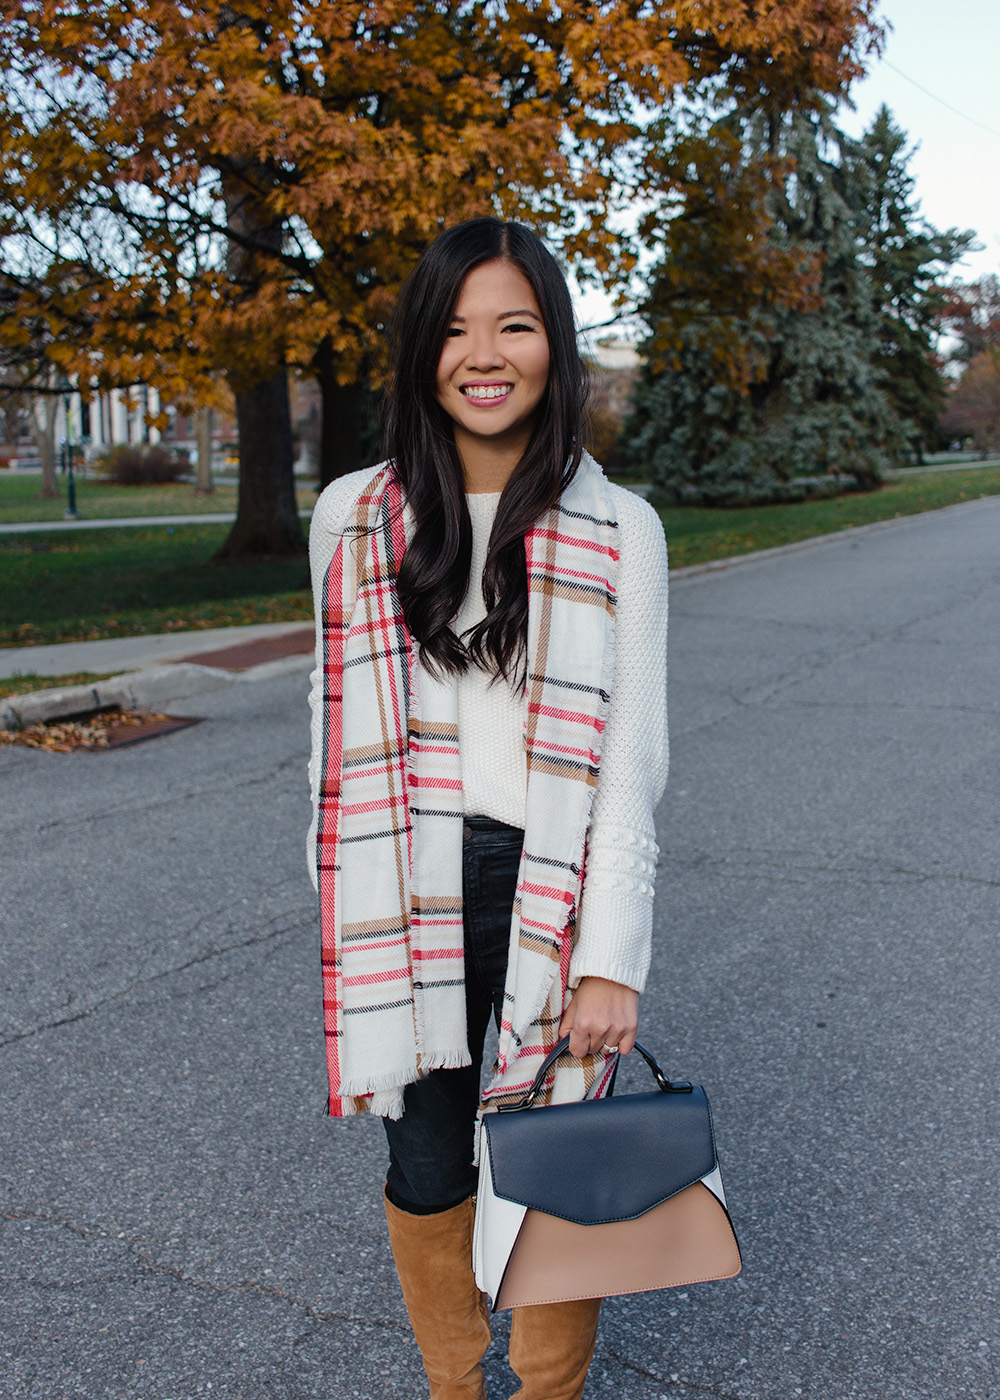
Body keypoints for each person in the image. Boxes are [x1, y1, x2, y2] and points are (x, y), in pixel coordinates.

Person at [307, 217, 668, 1400]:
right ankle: (456, 1384)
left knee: (553, 1152)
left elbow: (630, 761)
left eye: (514, 323)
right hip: (398, 888)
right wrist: (337, 910)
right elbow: (329, 735)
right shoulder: (353, 516)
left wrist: (609, 957)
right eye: (456, 326)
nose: (485, 351)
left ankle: (548, 1389)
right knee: (423, 1163)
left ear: (553, 349)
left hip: (541, 884)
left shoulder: (620, 527)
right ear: (421, 351)